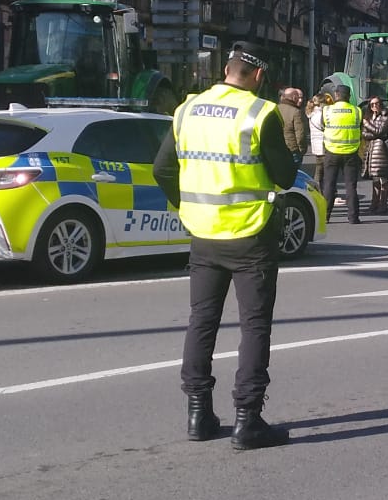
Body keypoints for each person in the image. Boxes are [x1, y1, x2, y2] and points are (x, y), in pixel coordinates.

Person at [151, 42, 298, 450]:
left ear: (225, 69)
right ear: (258, 76)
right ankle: (247, 419)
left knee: (202, 321)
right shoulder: (259, 112)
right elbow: (285, 176)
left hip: (203, 234)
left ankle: (198, 415)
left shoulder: (187, 109)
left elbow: (162, 169)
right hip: (251, 234)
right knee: (254, 325)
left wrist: (189, 205)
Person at [319, 84, 363, 225]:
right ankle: (353, 217)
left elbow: (322, 125)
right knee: (351, 186)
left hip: (332, 152)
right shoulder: (357, 111)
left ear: (336, 95)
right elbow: (360, 127)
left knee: (329, 185)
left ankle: (325, 216)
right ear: (348, 96)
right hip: (350, 152)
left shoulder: (327, 110)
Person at [360, 96, 388, 216]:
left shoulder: (386, 116)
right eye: (372, 104)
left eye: (377, 104)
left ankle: (383, 204)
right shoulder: (370, 117)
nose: (375, 106)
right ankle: (374, 203)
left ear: (381, 104)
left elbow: (380, 131)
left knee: (382, 178)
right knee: (374, 178)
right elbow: (364, 134)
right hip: (370, 149)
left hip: (381, 150)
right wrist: (372, 132)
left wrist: (367, 124)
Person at [277, 87, 308, 164]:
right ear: (294, 97)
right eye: (298, 97)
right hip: (292, 149)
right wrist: (301, 150)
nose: (300, 100)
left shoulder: (275, 108)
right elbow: (300, 134)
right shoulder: (296, 112)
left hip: (277, 148)